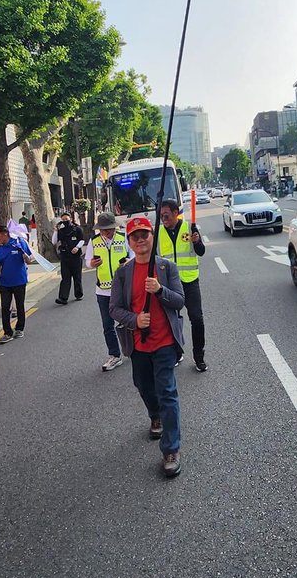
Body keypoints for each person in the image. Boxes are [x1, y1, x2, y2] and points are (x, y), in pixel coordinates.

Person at [110, 216, 185, 478]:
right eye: (135, 236)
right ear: (129, 242)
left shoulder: (167, 268)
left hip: (164, 343)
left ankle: (171, 450)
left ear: (152, 238)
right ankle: (156, 416)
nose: (140, 240)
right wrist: (135, 319)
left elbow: (179, 301)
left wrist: (160, 289)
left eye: (145, 235)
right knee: (143, 385)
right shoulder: (123, 273)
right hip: (139, 344)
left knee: (167, 392)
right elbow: (115, 309)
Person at [158, 198, 208, 372]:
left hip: (189, 280)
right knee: (171, 321)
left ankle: (199, 357)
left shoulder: (189, 228)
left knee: (197, 318)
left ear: (175, 213)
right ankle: (177, 353)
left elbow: (201, 252)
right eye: (161, 215)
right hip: (169, 284)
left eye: (166, 214)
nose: (163, 218)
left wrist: (196, 242)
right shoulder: (157, 233)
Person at [86, 212, 130, 371]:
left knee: (129, 321)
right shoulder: (94, 241)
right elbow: (88, 263)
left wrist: (127, 263)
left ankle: (134, 349)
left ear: (114, 227)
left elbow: (132, 256)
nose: (106, 233)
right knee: (107, 325)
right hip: (103, 290)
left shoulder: (123, 238)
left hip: (123, 288)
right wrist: (92, 263)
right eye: (103, 230)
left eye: (109, 229)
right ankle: (115, 355)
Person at [0, 225, 34, 341]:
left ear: (4, 234)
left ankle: (19, 329)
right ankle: (7, 332)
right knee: (5, 307)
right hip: (5, 282)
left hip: (19, 281)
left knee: (19, 306)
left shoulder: (19, 242)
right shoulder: (0, 249)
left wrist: (24, 255)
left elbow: (29, 260)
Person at [53, 211, 84, 305]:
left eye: (66, 219)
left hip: (76, 256)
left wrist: (77, 247)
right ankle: (63, 298)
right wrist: (55, 231)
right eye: (63, 220)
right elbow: (54, 242)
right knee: (65, 277)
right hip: (65, 257)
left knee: (77, 276)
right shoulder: (61, 231)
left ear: (70, 219)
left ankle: (78, 294)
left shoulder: (77, 229)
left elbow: (82, 240)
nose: (65, 221)